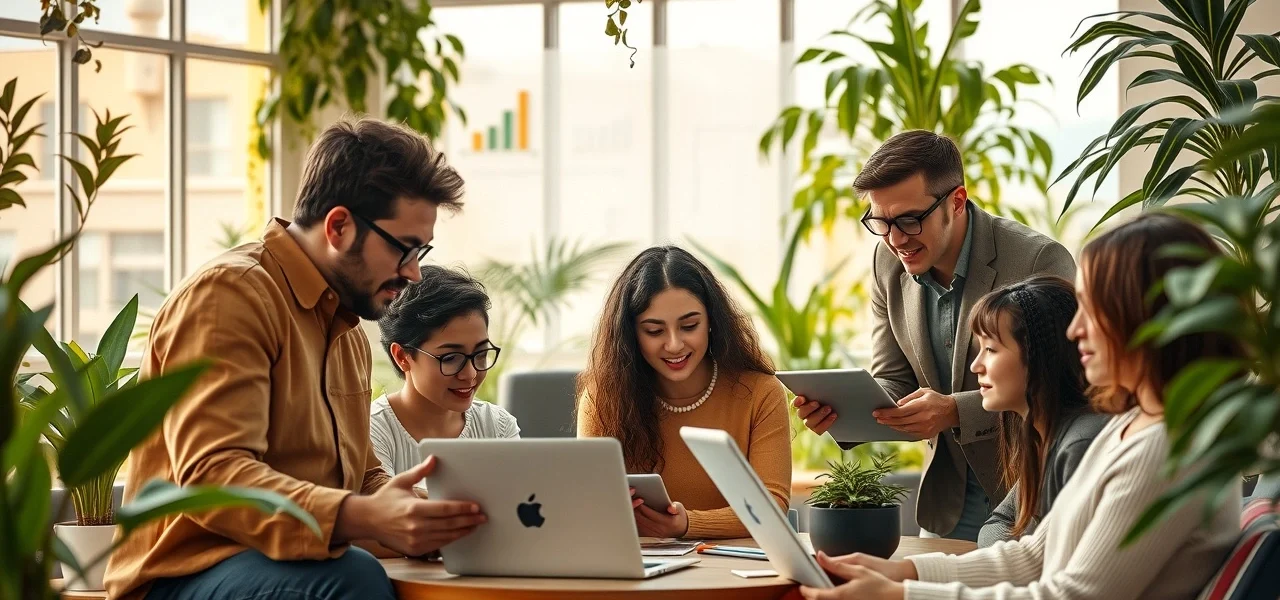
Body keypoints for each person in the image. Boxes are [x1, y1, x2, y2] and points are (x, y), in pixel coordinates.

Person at [105, 118, 488, 600]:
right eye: (404, 248)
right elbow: (213, 476)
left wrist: (420, 513)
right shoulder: (230, 296)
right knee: (354, 578)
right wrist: (364, 516)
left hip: (289, 568)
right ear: (339, 226)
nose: (413, 272)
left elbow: (364, 473)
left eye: (421, 251)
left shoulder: (346, 326)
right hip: (183, 576)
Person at [797, 212, 1243, 600]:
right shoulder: (1129, 428)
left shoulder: (1166, 449)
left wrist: (904, 594)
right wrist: (903, 571)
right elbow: (1035, 555)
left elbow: (1073, 595)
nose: (1075, 331)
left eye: (1094, 308)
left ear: (1146, 317)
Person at [792, 130, 1076, 541]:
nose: (895, 238)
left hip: (1029, 495)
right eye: (880, 221)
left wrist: (955, 410)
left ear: (957, 202)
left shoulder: (1037, 260)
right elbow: (895, 379)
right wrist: (845, 410)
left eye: (909, 219)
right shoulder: (886, 264)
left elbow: (1059, 389)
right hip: (947, 505)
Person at [576, 246, 791, 540]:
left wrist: (687, 524)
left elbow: (772, 505)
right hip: (640, 568)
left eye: (690, 326)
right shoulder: (603, 397)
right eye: (654, 331)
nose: (675, 344)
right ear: (631, 334)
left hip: (735, 568)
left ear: (712, 321)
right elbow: (588, 503)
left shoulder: (760, 393)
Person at [967, 276, 1108, 547]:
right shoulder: (1046, 435)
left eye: (990, 349)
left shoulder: (1079, 445)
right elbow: (998, 523)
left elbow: (1048, 567)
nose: (976, 365)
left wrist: (1014, 555)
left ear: (1038, 357)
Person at [371, 264, 520, 485]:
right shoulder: (374, 431)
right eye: (451, 358)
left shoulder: (497, 426)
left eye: (480, 354)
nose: (469, 375)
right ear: (402, 356)